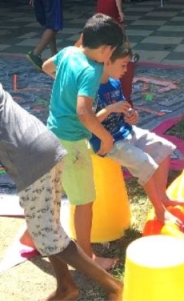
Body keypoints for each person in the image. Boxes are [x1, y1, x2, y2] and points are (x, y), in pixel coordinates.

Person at [0, 31, 123, 300]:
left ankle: (114, 287)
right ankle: (66, 287)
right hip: (48, 148)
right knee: (46, 227)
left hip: (32, 162)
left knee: (48, 232)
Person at [42, 14, 125, 271]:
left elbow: (46, 66)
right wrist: (106, 136)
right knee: (84, 201)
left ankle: (30, 236)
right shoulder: (92, 69)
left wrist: (67, 86)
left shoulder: (68, 52)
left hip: (51, 133)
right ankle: (87, 258)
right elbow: (84, 113)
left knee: (54, 190)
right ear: (106, 49)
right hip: (72, 143)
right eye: (112, 52)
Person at [90, 41, 184, 226]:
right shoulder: (91, 88)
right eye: (123, 65)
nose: (126, 70)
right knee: (145, 163)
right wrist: (110, 109)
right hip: (107, 142)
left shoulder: (114, 83)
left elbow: (124, 109)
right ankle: (159, 211)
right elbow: (89, 121)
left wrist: (131, 115)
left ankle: (163, 197)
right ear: (107, 62)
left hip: (125, 132)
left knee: (164, 149)